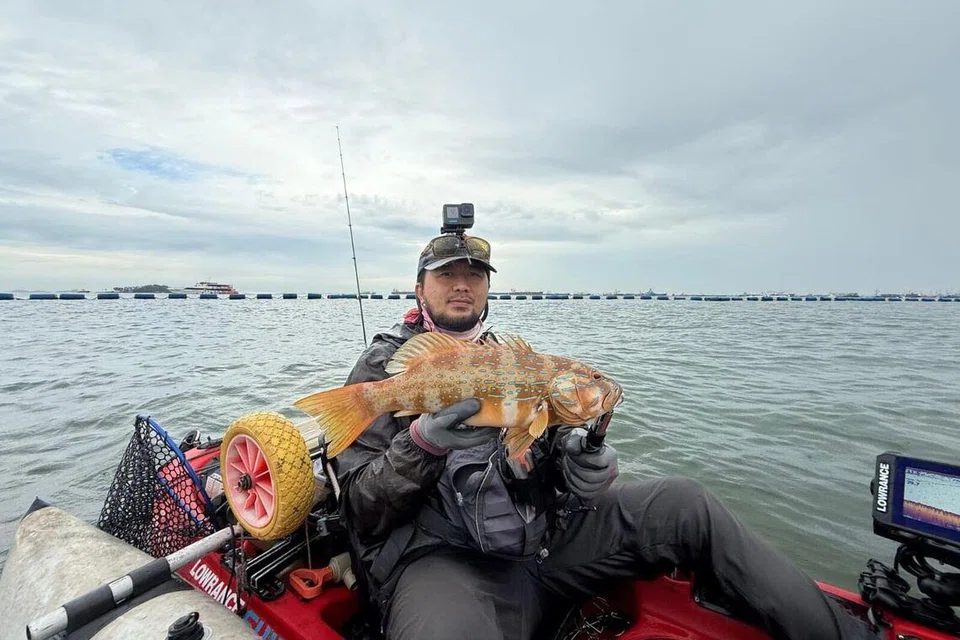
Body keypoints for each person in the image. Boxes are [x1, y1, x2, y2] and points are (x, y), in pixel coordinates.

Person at [331, 231, 879, 640]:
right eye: (447, 274)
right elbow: (359, 509)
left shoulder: (515, 360)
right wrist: (423, 444)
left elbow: (535, 455)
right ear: (420, 287)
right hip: (443, 561)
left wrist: (572, 464)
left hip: (540, 546)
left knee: (683, 503)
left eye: (474, 275)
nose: (461, 285)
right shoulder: (385, 368)